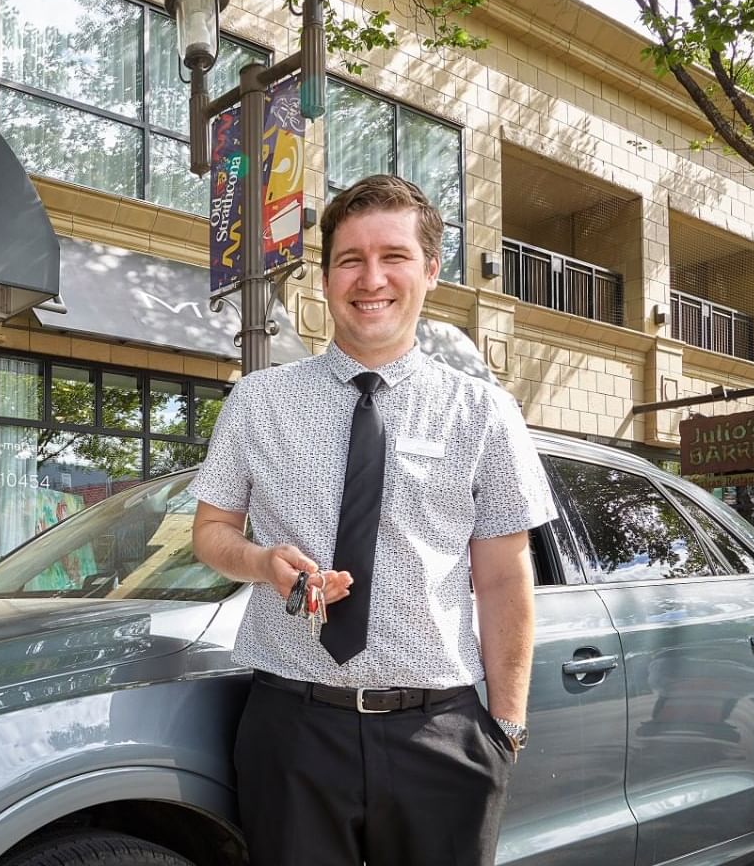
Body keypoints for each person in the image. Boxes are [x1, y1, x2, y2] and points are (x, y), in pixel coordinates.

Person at [190, 174, 555, 866]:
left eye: (394, 256)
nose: (371, 278)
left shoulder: (483, 412)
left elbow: (506, 580)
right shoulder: (257, 401)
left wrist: (505, 726)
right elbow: (211, 533)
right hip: (292, 728)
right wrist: (263, 563)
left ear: (430, 272)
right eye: (350, 259)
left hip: (439, 731)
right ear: (325, 278)